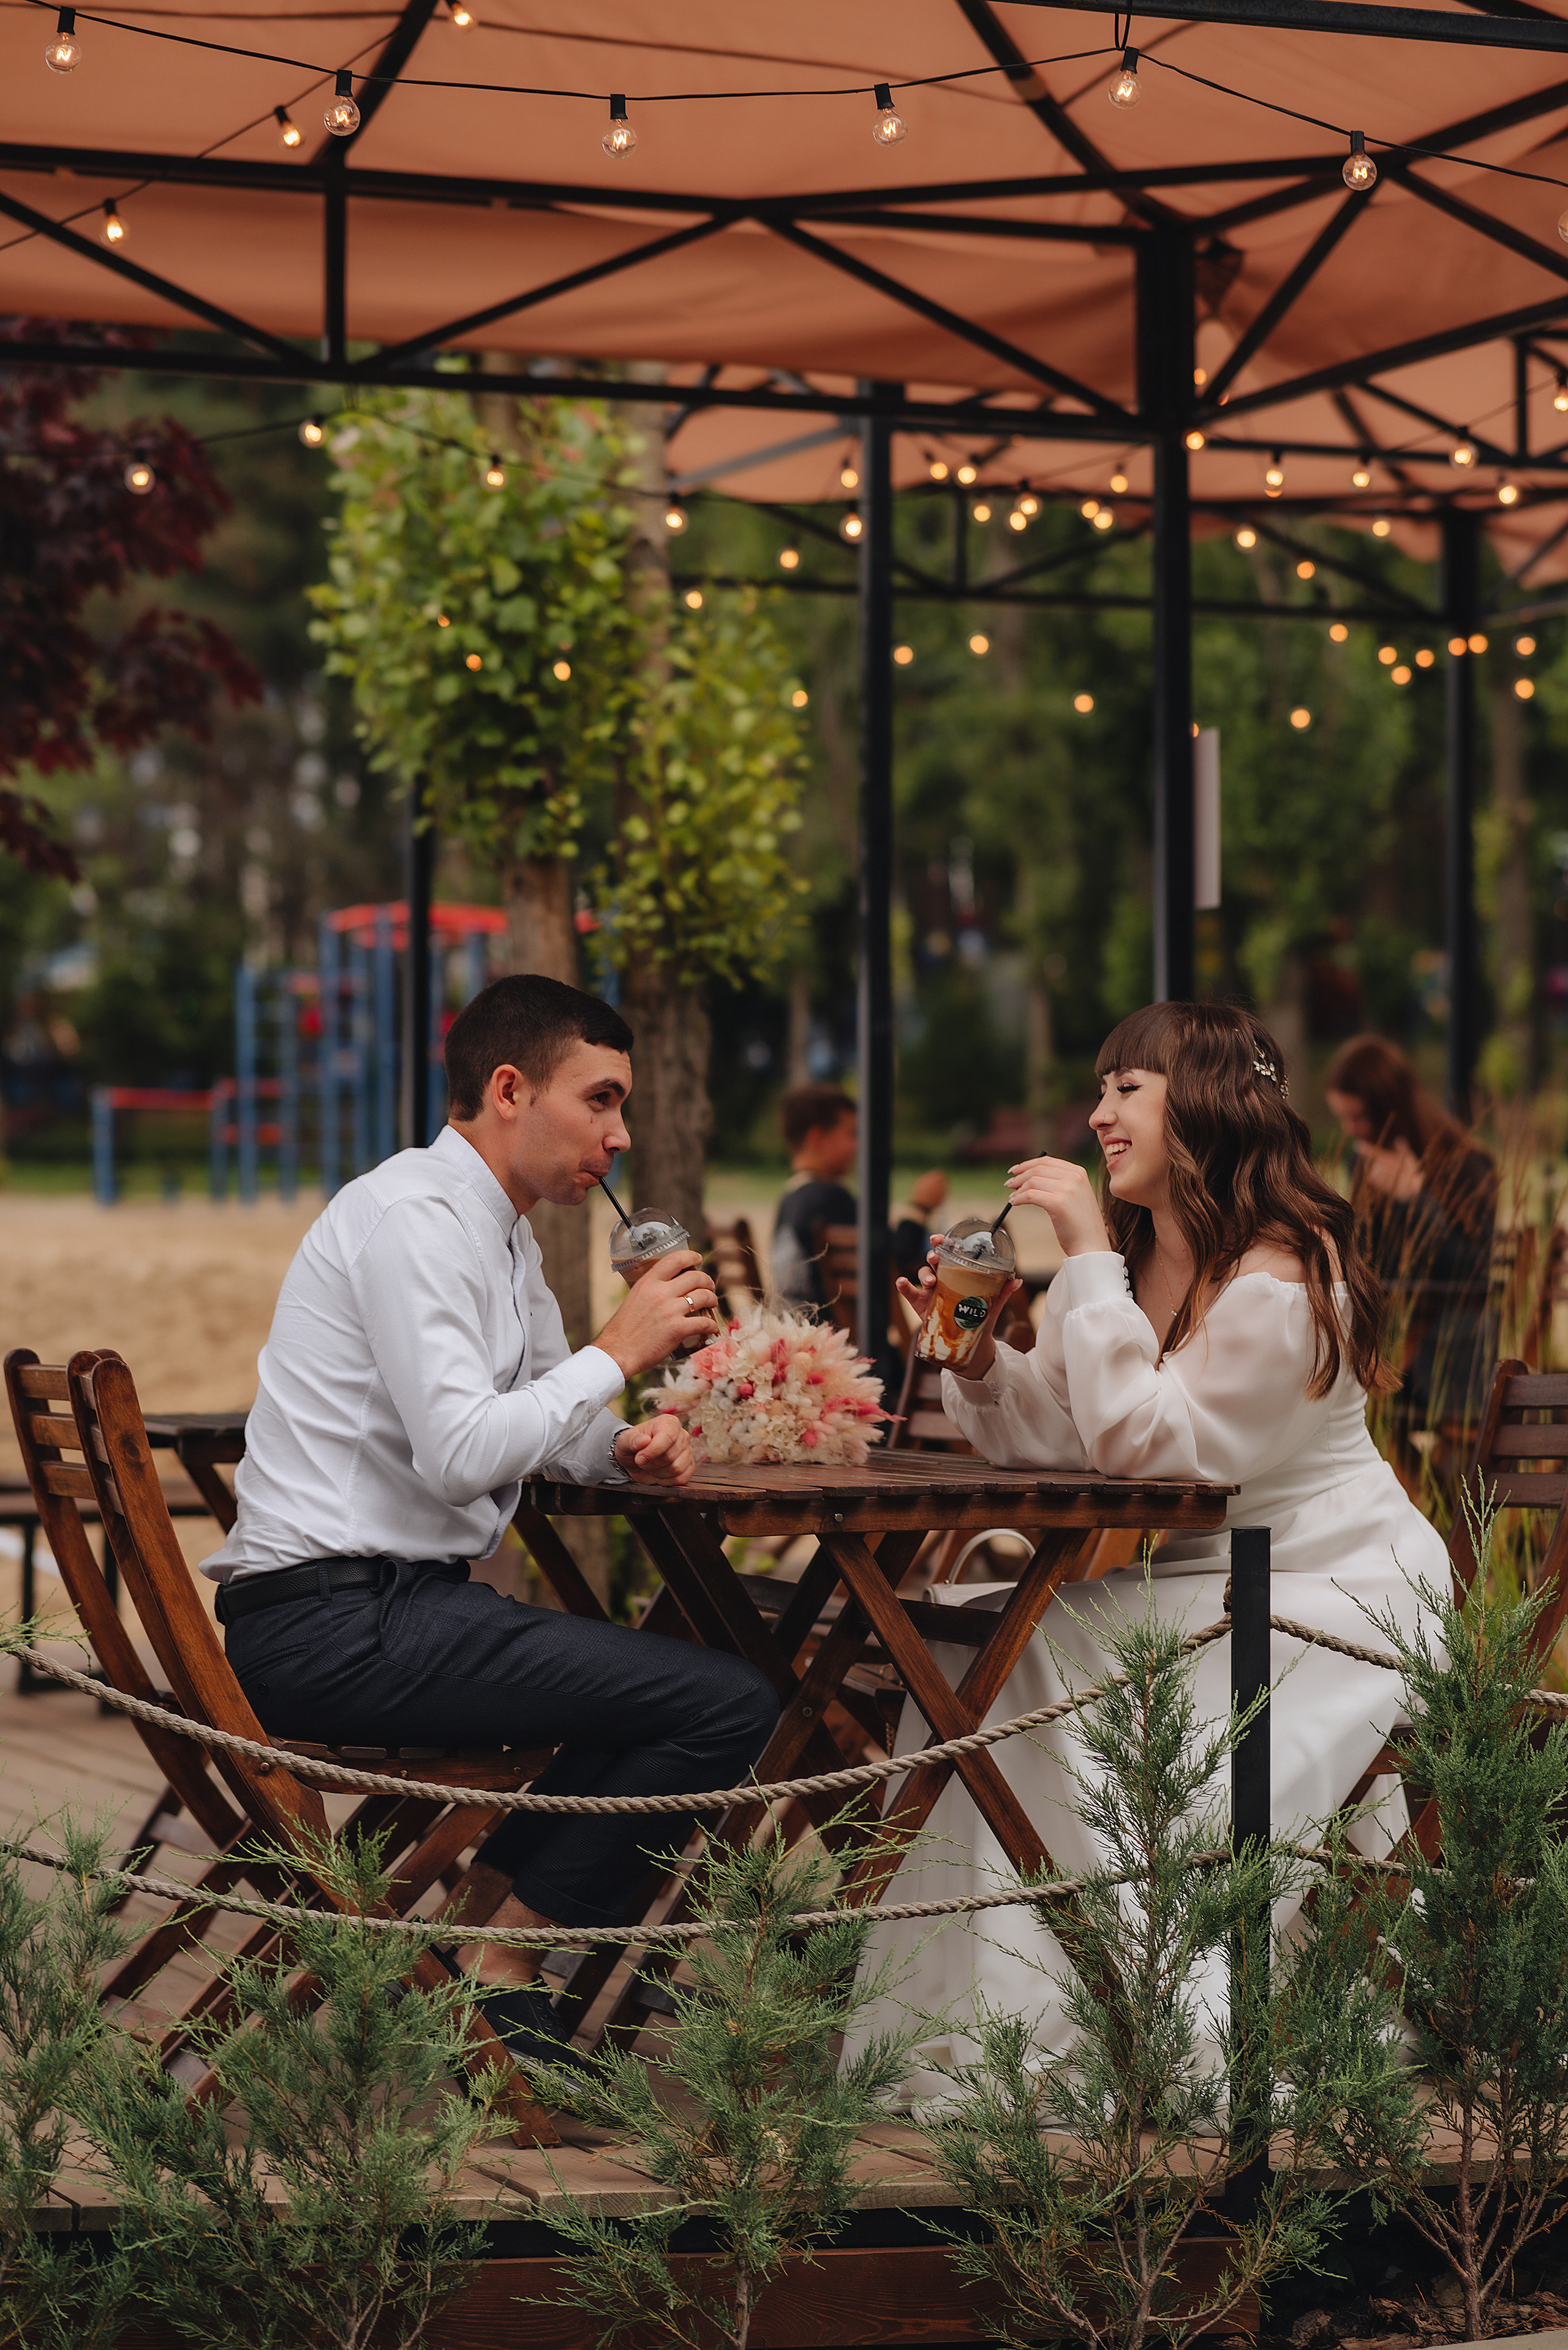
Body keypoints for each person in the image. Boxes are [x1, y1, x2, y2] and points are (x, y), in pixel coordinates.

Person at [840, 1001, 1446, 2109]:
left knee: (1030, 1646)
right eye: (1100, 1088)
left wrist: (1080, 1254)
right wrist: (979, 1361)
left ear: (1205, 1101)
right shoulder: (1145, 1258)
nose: (1098, 1114)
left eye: (1127, 1088)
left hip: (1335, 1594)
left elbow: (1153, 1454)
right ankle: (980, 2011)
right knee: (962, 1626)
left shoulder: (1288, 1273)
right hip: (1219, 1581)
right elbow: (1071, 1434)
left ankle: (1099, 2002)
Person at [203, 974, 778, 2071]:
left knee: (660, 1692)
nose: (620, 1136)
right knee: (726, 1702)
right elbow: (464, 1450)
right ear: (509, 1089)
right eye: (600, 1100)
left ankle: (486, 1936)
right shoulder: (416, 1221)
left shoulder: (500, 1234)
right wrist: (622, 1346)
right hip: (333, 1628)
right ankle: (503, 1962)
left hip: (390, 1611)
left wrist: (621, 1443)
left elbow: (546, 1416)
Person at [1325, 1034, 1497, 1442]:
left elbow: (1472, 1269)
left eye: (1358, 1118)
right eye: (1343, 1118)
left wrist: (1416, 1200)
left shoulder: (1468, 1162)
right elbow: (1365, 1260)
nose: (1351, 1130)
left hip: (1450, 1352)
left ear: (1391, 1109)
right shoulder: (1365, 1160)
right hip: (1385, 1344)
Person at [771, 1082, 946, 1314]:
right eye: (852, 1134)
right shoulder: (829, 1198)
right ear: (817, 1138)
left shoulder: (791, 1199)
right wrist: (920, 1208)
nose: (857, 1146)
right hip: (843, 1334)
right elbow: (894, 1263)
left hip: (802, 1327)